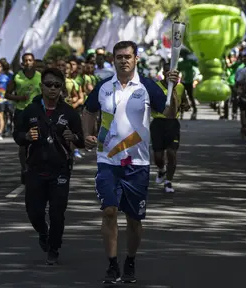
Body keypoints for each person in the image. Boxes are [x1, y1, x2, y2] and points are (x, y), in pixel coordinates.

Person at [82, 41, 180, 284]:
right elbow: (88, 111)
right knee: (109, 211)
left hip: (137, 162)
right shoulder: (103, 86)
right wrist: (86, 135)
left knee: (134, 220)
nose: (123, 60)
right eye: (119, 57)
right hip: (107, 159)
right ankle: (113, 264)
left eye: (127, 56)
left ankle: (130, 260)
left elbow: (169, 113)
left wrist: (173, 89)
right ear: (113, 60)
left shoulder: (147, 86)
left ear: (136, 58)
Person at [13, 67, 84, 265]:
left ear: (62, 88)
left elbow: (81, 140)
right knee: (34, 212)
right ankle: (43, 232)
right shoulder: (31, 110)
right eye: (48, 84)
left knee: (57, 212)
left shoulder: (69, 113)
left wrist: (74, 137)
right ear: (41, 86)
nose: (52, 88)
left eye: (57, 85)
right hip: (35, 168)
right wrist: (26, 137)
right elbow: (17, 135)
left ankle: (54, 247)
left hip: (60, 169)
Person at [151, 61, 190, 193]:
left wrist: (185, 106)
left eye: (173, 72)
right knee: (158, 156)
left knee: (172, 154)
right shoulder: (155, 87)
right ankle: (161, 170)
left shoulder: (180, 87)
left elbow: (185, 103)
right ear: (163, 73)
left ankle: (168, 182)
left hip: (173, 123)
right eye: (168, 72)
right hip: (158, 123)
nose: (170, 74)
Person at [6, 53, 42, 184]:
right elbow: (7, 94)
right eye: (25, 60)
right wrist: (19, 98)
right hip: (22, 112)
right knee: (23, 143)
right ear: (22, 63)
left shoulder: (40, 77)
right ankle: (24, 168)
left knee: (38, 141)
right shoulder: (17, 77)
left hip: (38, 113)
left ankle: (37, 168)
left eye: (30, 60)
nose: (28, 62)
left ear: (34, 62)